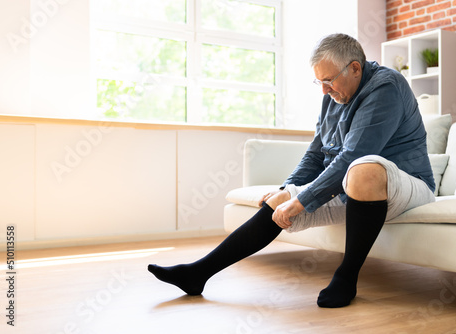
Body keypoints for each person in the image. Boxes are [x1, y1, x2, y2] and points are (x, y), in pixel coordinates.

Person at [148, 33, 436, 308]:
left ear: (355, 68)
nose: (324, 89)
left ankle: (347, 277)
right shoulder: (333, 97)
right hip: (356, 189)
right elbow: (316, 153)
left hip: (408, 186)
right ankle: (198, 274)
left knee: (363, 169)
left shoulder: (386, 86)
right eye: (318, 82)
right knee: (281, 200)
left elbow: (353, 156)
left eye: (328, 81)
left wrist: (302, 200)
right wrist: (289, 189)